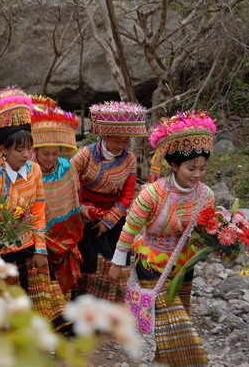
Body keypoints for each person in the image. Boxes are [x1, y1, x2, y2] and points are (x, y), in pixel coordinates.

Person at [109, 110, 216, 365]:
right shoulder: (152, 195)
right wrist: (117, 262)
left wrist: (220, 243)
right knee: (176, 322)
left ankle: (162, 361)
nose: (198, 174)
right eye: (191, 168)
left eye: (202, 168)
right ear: (175, 165)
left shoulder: (206, 195)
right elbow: (131, 227)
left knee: (173, 324)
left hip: (183, 264)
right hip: (152, 261)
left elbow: (206, 230)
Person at [0, 95, 66, 331]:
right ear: (2, 149)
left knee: (37, 304)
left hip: (30, 247)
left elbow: (38, 208)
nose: (26, 155)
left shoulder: (33, 171)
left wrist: (41, 248)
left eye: (29, 148)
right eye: (19, 150)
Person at [70, 101, 147, 302]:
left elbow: (128, 195)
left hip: (115, 215)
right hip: (85, 214)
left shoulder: (129, 160)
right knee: (88, 259)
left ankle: (110, 306)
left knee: (114, 258)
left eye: (125, 142)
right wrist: (81, 208)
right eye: (117, 141)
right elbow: (69, 179)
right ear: (105, 136)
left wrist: (108, 221)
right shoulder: (86, 154)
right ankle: (83, 304)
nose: (121, 146)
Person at [31, 101, 84, 331]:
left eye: (54, 153)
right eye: (45, 154)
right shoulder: (29, 171)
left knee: (65, 277)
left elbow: (74, 199)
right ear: (35, 151)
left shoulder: (67, 168)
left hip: (66, 233)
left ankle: (66, 321)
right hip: (40, 236)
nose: (50, 158)